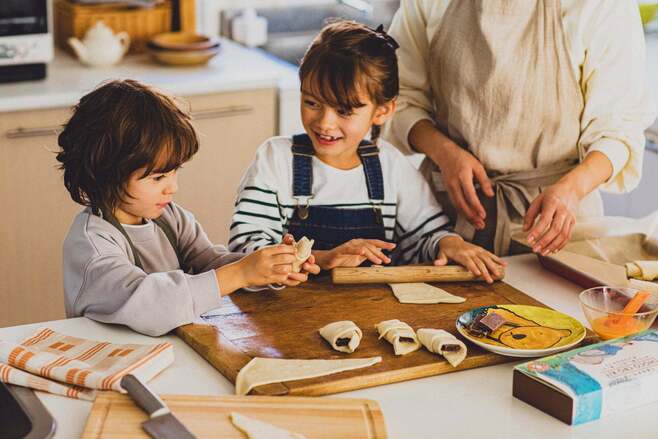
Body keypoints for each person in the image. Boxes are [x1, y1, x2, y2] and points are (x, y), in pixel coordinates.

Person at [229, 21, 504, 281]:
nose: (325, 122)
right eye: (312, 102)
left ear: (383, 111)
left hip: (373, 316)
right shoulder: (276, 159)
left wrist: (451, 243)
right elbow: (246, 251)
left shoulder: (390, 166)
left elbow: (425, 238)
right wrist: (322, 259)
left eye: (344, 110)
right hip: (285, 316)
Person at [385, 0, 656, 256]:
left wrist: (571, 191)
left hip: (556, 227)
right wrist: (445, 153)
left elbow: (619, 130)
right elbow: (400, 97)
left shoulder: (602, 6)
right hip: (444, 223)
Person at [57, 80, 319, 337]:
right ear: (105, 173)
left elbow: (210, 263)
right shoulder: (92, 244)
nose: (172, 187)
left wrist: (266, 267)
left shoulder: (169, 217)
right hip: (112, 366)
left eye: (174, 172)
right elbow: (150, 304)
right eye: (158, 178)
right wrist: (240, 273)